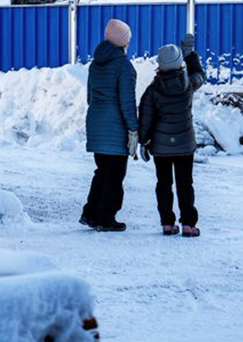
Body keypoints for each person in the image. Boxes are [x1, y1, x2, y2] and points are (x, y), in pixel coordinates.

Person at [138, 33, 205, 237]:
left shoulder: (152, 90)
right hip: (185, 145)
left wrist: (143, 142)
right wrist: (190, 55)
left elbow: (145, 118)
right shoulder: (188, 85)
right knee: (186, 184)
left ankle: (167, 223)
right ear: (179, 64)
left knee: (164, 184)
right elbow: (200, 74)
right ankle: (188, 225)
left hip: (161, 147)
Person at [80, 18, 139, 232]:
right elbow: (127, 102)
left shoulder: (96, 64)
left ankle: (90, 213)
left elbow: (89, 97)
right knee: (114, 175)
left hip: (95, 121)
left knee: (102, 171)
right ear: (123, 42)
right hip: (115, 126)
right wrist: (133, 128)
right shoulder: (124, 67)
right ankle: (105, 218)